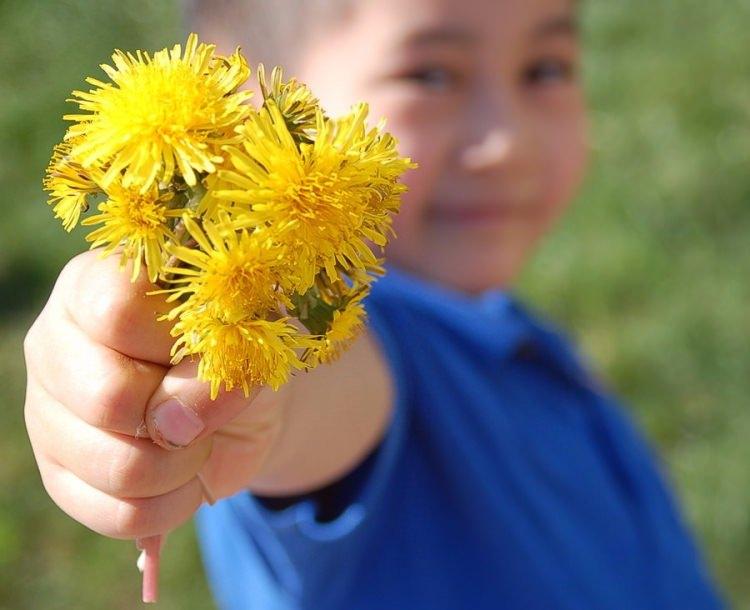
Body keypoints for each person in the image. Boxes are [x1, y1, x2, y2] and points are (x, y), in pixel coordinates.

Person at [23, 0, 727, 608]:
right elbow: (310, 400)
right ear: (245, 103)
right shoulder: (366, 356)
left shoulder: (502, 326)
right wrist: (249, 390)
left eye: (544, 68)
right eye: (430, 75)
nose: (505, 142)